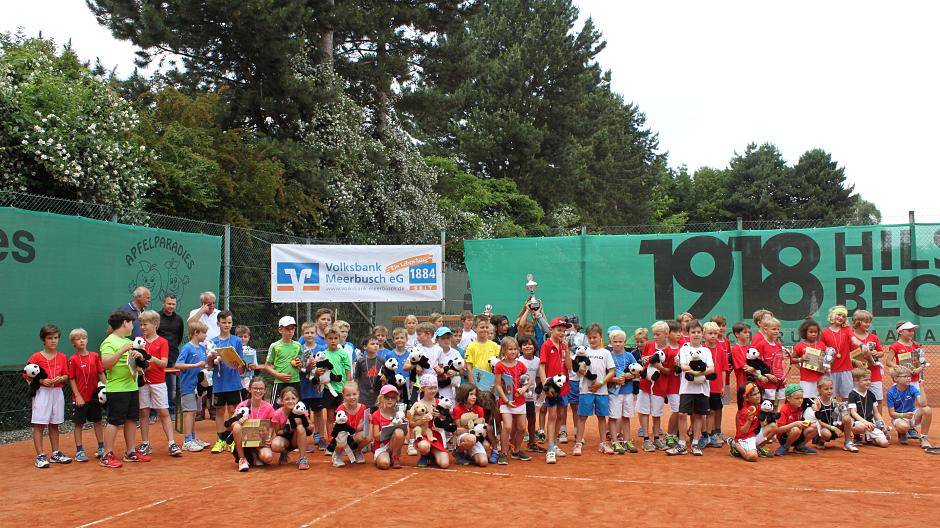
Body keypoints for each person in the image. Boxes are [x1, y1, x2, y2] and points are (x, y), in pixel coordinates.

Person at [100, 311, 150, 468]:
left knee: (131, 420)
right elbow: (105, 364)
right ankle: (106, 455)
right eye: (131, 323)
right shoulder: (109, 342)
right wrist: (122, 350)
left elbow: (133, 363)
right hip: (117, 389)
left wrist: (138, 357)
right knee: (114, 421)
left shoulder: (128, 341)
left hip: (132, 386)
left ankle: (130, 452)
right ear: (124, 323)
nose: (132, 326)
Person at [137, 310, 181, 457]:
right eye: (141, 324)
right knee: (144, 412)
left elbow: (164, 363)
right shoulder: (138, 341)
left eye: (145, 324)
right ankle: (145, 443)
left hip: (158, 382)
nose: (142, 327)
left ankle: (172, 443)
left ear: (155, 324)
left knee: (163, 411)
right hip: (143, 382)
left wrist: (150, 358)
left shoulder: (162, 342)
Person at [27, 324, 71, 468]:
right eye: (50, 338)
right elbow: (25, 374)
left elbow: (66, 374)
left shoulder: (63, 356)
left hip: (57, 393)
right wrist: (41, 380)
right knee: (39, 425)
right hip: (42, 393)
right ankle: (40, 456)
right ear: (43, 340)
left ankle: (55, 453)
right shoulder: (36, 357)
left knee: (54, 424)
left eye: (56, 338)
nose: (53, 341)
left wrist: (61, 378)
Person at [668, 320, 714, 456]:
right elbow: (683, 367)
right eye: (693, 332)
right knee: (682, 414)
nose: (696, 335)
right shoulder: (684, 349)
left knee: (698, 415)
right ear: (687, 334)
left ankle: (695, 443)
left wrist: (698, 373)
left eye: (698, 332)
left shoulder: (706, 351)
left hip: (702, 389)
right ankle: (682, 444)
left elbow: (711, 369)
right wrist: (696, 372)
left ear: (702, 334)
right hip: (686, 389)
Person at [572, 324, 615, 456]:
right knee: (582, 417)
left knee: (602, 417)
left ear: (600, 337)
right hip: (586, 390)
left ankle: (603, 443)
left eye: (594, 337)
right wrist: (580, 370)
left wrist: (601, 383)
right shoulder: (583, 352)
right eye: (589, 337)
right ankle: (578, 443)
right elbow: (577, 372)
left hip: (601, 391)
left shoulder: (606, 353)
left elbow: (612, 371)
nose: (592, 340)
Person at [209, 310, 245, 453]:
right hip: (219, 382)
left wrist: (237, 363)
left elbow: (241, 364)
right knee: (219, 411)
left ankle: (231, 439)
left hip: (234, 382)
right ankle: (220, 440)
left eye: (229, 322)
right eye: (224, 322)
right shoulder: (213, 341)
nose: (226, 325)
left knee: (232, 410)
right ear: (218, 323)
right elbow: (209, 365)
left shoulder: (236, 340)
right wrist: (212, 358)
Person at [67, 328, 106, 462]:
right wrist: (77, 396)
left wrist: (106, 388)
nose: (81, 340)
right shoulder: (72, 359)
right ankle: (79, 451)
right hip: (81, 399)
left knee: (97, 421)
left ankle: (101, 448)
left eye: (84, 337)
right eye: (78, 338)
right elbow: (71, 379)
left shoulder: (95, 356)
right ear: (73, 343)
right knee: (79, 424)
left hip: (95, 397)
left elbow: (101, 373)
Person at [539, 316, 573, 463]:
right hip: (552, 387)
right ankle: (550, 448)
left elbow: (570, 367)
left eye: (564, 331)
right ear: (551, 330)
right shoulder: (546, 345)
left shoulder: (563, 346)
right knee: (552, 416)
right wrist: (546, 386)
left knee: (560, 415)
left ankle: (555, 443)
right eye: (559, 330)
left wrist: (567, 350)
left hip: (564, 387)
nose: (561, 333)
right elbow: (542, 366)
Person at [493, 337, 532, 464]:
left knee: (521, 428)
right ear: (504, 350)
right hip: (506, 402)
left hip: (520, 401)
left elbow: (528, 380)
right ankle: (503, 453)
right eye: (510, 349)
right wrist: (505, 400)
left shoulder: (521, 365)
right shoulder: (499, 365)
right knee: (508, 427)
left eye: (515, 349)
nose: (514, 352)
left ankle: (516, 451)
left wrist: (524, 388)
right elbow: (498, 385)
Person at [231, 377, 278, 472]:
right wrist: (238, 421)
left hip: (260, 442)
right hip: (245, 442)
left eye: (261, 389)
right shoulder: (242, 405)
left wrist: (270, 437)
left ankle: (255, 455)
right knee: (237, 426)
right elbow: (230, 425)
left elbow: (273, 425)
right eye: (255, 388)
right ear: (249, 389)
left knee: (268, 457)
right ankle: (242, 459)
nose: (258, 391)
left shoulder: (268, 407)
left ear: (265, 391)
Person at [175, 321, 209, 452]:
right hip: (187, 386)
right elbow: (178, 365)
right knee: (189, 413)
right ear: (196, 333)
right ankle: (187, 440)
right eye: (204, 333)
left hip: (198, 387)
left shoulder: (202, 348)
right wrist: (194, 365)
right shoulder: (187, 348)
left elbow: (205, 366)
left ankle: (193, 438)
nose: (206, 335)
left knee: (194, 412)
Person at [638, 321, 671, 451]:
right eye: (654, 334)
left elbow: (669, 371)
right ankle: (646, 439)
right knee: (645, 411)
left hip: (660, 386)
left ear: (666, 334)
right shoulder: (649, 345)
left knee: (656, 414)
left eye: (658, 334)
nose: (655, 337)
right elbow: (643, 360)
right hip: (645, 384)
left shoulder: (670, 350)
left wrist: (659, 367)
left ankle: (656, 438)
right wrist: (645, 359)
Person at [608, 328, 640, 454]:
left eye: (620, 341)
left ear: (625, 342)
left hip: (628, 391)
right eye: (615, 341)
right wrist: (616, 379)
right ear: (611, 342)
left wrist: (629, 376)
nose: (618, 344)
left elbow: (637, 372)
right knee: (614, 417)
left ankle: (627, 440)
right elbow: (605, 374)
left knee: (626, 417)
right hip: (614, 393)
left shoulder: (629, 355)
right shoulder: (609, 356)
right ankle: (615, 442)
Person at [820, 305, 861, 400]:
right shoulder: (824, 332)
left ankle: (847, 415)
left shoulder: (847, 330)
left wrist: (862, 345)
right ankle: (832, 414)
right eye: (839, 315)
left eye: (843, 316)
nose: (841, 318)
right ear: (832, 315)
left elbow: (854, 339)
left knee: (847, 397)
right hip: (830, 371)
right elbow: (822, 350)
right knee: (830, 397)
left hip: (846, 370)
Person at [886, 366, 933, 449]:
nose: (908, 378)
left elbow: (923, 404)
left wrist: (921, 387)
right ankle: (902, 433)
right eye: (905, 376)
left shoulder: (912, 388)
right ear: (896, 378)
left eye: (909, 376)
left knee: (927, 409)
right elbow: (892, 414)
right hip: (899, 417)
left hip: (912, 416)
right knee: (904, 427)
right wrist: (903, 415)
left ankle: (923, 438)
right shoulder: (890, 392)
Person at [729, 382, 777, 462]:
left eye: (758, 392)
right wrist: (749, 420)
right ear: (746, 398)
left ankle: (758, 447)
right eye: (754, 394)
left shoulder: (758, 406)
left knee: (774, 426)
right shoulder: (745, 411)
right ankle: (735, 445)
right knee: (752, 457)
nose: (758, 395)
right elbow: (743, 431)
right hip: (745, 438)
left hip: (754, 434)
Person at [413, 374, 451, 468]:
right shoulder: (417, 404)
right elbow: (411, 425)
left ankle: (432, 454)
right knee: (424, 446)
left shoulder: (441, 402)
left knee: (444, 464)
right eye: (430, 388)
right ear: (423, 389)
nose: (433, 390)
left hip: (436, 435)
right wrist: (422, 421)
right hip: (422, 435)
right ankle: (425, 455)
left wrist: (442, 417)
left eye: (435, 388)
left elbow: (449, 423)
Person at [851, 310, 885, 416]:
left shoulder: (873, 337)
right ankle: (859, 423)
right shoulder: (851, 338)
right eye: (865, 322)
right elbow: (845, 356)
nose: (868, 324)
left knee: (878, 399)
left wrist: (877, 353)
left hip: (874, 374)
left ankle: (879, 424)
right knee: (856, 400)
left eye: (869, 322)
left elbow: (882, 352)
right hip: (857, 374)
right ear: (857, 322)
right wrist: (855, 361)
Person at [320, 324, 353, 432]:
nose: (333, 341)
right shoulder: (323, 354)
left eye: (335, 338)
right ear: (325, 339)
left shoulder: (343, 354)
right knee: (330, 416)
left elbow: (348, 372)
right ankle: (331, 440)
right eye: (330, 338)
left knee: (343, 415)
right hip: (328, 389)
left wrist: (347, 388)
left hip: (342, 389)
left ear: (339, 339)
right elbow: (320, 373)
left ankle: (343, 439)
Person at [299, 320, 326, 450]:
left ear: (316, 334)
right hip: (303, 385)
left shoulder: (321, 349)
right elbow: (297, 366)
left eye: (312, 332)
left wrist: (320, 370)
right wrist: (306, 367)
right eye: (307, 333)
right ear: (302, 335)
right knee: (303, 413)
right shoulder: (299, 348)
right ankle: (303, 439)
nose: (309, 335)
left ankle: (320, 437)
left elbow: (325, 366)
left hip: (317, 387)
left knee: (319, 412)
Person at [809, 376, 856, 452]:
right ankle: (820, 441)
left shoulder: (834, 401)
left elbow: (841, 415)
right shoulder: (817, 403)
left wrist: (848, 428)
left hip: (833, 425)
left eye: (831, 388)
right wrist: (833, 428)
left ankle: (848, 442)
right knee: (826, 434)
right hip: (823, 428)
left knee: (847, 418)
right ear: (819, 389)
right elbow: (818, 422)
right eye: (826, 389)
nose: (829, 391)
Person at [156, 294, 184, 417]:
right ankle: (154, 412)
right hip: (157, 358)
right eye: (169, 304)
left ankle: (172, 410)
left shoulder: (178, 319)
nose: (171, 306)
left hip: (173, 356)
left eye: (173, 304)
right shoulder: (156, 317)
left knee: (172, 385)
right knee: (156, 384)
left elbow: (179, 337)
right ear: (163, 303)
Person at [264, 315, 301, 408]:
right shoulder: (275, 346)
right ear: (280, 330)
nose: (290, 331)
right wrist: (278, 375)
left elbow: (302, 365)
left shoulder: (298, 346)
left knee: (297, 410)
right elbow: (267, 366)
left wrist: (300, 365)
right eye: (287, 329)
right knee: (276, 410)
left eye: (292, 329)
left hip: (295, 381)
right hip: (280, 383)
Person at [269, 386, 310, 470]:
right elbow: (277, 432)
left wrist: (303, 423)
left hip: (297, 438)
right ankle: (284, 452)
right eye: (287, 399)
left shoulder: (301, 410)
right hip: (285, 439)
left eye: (293, 398)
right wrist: (287, 429)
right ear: (282, 401)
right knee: (275, 445)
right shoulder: (277, 413)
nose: (290, 401)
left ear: (297, 399)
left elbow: (311, 428)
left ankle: (302, 458)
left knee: (300, 428)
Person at [847, 368, 889, 448]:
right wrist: (865, 422)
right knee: (861, 426)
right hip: (858, 423)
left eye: (869, 380)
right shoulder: (852, 394)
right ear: (857, 380)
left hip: (870, 424)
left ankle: (869, 438)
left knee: (884, 443)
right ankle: (857, 436)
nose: (868, 382)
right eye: (865, 380)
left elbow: (876, 413)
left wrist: (882, 424)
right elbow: (853, 412)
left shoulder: (871, 394)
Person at [563, 314, 589, 443]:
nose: (567, 328)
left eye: (570, 325)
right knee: (562, 405)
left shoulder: (583, 337)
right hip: (564, 376)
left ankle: (577, 431)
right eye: (565, 326)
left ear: (577, 326)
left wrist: (571, 344)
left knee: (576, 406)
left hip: (578, 377)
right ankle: (562, 430)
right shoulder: (561, 337)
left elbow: (586, 351)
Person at [702, 321, 727, 448]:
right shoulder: (700, 350)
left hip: (716, 387)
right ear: (704, 334)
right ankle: (702, 435)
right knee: (702, 412)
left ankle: (711, 434)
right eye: (710, 333)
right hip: (702, 385)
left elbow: (723, 369)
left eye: (715, 333)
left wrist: (722, 385)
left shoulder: (721, 350)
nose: (713, 336)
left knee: (713, 410)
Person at [517, 335, 544, 453]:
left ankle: (532, 443)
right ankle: (514, 444)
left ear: (534, 346)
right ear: (520, 348)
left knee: (532, 419)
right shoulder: (518, 361)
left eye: (530, 344)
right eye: (524, 344)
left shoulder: (538, 361)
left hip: (531, 397)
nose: (527, 346)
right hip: (519, 396)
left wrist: (538, 392)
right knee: (518, 422)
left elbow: (539, 378)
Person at [774, 383, 818, 456]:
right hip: (785, 437)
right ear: (788, 399)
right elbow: (778, 430)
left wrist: (807, 423)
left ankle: (800, 446)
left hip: (798, 434)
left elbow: (808, 400)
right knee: (796, 429)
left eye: (801, 398)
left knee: (815, 426)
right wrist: (795, 424)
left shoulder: (800, 405)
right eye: (797, 398)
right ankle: (785, 447)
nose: (800, 400)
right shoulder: (784, 409)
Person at [334, 382, 371, 466]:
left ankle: (357, 452)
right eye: (348, 395)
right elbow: (337, 429)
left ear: (358, 394)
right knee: (341, 439)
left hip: (353, 434)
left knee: (368, 435)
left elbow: (358, 428)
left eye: (354, 394)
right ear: (343, 395)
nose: (352, 397)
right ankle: (336, 456)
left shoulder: (363, 407)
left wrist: (367, 421)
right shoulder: (341, 408)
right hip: (342, 435)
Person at [452, 383, 489, 467]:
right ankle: (459, 452)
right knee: (471, 438)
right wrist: (474, 424)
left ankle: (468, 453)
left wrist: (473, 426)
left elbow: (481, 428)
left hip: (476, 437)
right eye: (471, 394)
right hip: (463, 437)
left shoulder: (479, 409)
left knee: (483, 462)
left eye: (475, 394)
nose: (474, 397)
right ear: (463, 394)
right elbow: (458, 430)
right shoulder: (457, 409)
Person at [372, 384, 406, 470]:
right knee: (384, 464)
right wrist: (390, 425)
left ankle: (395, 457)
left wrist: (405, 424)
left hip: (393, 445)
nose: (390, 400)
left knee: (399, 431)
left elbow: (404, 435)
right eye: (387, 397)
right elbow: (376, 437)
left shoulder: (399, 414)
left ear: (396, 399)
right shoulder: (376, 415)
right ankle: (385, 457)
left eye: (393, 397)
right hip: (381, 446)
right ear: (381, 398)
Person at [887, 321, 925, 392]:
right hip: (902, 379)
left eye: (913, 331)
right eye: (909, 331)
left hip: (914, 380)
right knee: (901, 401)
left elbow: (923, 361)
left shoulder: (916, 345)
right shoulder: (895, 346)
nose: (912, 333)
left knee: (915, 401)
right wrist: (900, 368)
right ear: (900, 332)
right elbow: (888, 362)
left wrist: (919, 368)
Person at [791, 319, 824, 398]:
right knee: (807, 400)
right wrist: (800, 360)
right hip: (806, 379)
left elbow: (827, 359)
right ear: (804, 332)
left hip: (820, 378)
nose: (813, 334)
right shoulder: (799, 345)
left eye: (815, 332)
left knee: (819, 400)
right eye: (811, 332)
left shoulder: (821, 344)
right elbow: (791, 359)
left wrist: (824, 362)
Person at [354, 335, 383, 411]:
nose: (376, 346)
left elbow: (385, 379)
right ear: (365, 347)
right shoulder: (360, 361)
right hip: (363, 396)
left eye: (377, 344)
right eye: (372, 344)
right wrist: (356, 393)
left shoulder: (382, 361)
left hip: (378, 395)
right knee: (365, 418)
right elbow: (356, 379)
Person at [435, 327, 463, 401]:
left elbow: (462, 371)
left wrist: (455, 373)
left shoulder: (456, 353)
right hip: (435, 390)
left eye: (448, 338)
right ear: (437, 339)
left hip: (451, 391)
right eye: (443, 338)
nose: (446, 340)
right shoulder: (433, 352)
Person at [235, 325, 260, 390]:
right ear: (236, 337)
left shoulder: (252, 351)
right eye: (240, 336)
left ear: (249, 338)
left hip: (247, 381)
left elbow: (255, 366)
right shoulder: (233, 350)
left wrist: (253, 366)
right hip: (235, 380)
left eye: (245, 336)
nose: (242, 338)